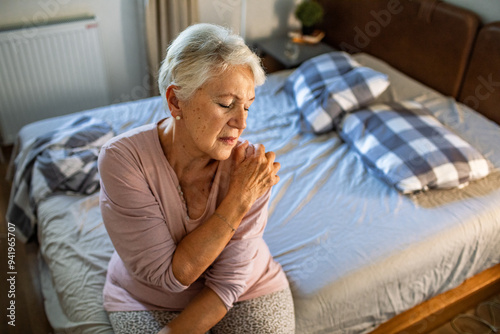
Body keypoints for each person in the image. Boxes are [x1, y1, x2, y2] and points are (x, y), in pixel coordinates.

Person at [98, 23, 295, 334]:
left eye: (247, 106)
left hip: (246, 288)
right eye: (226, 104)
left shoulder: (250, 168)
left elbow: (228, 283)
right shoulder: (123, 160)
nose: (242, 122)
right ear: (177, 101)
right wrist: (239, 199)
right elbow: (169, 276)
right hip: (149, 298)